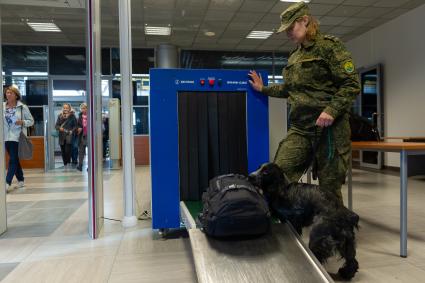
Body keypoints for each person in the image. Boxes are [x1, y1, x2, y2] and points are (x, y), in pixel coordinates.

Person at [249, 2, 360, 203]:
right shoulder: (294, 56)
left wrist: (332, 110)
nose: (288, 33)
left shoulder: (329, 47)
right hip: (300, 129)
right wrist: (263, 89)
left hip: (329, 131)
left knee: (329, 189)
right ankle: (287, 227)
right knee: (277, 175)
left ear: (305, 20)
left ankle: (334, 232)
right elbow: (289, 89)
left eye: (291, 27)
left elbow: (351, 84)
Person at [3, 85, 34, 192]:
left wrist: (22, 122)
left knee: (12, 160)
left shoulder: (22, 107)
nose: (8, 94)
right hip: (5, 137)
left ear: (16, 95)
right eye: (7, 93)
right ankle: (21, 180)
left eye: (10, 93)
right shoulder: (2, 106)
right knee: (14, 159)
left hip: (17, 137)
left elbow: (31, 121)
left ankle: (7, 182)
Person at [55, 103, 77, 167]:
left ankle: (68, 163)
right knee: (63, 152)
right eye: (64, 108)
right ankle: (65, 164)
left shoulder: (72, 116)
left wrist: (72, 131)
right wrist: (60, 128)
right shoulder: (60, 116)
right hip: (61, 136)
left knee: (67, 151)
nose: (65, 109)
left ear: (69, 108)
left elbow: (75, 126)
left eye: (67, 108)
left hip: (69, 135)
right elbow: (56, 126)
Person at [76, 103, 88, 171]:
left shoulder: (91, 116)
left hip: (89, 136)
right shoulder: (79, 117)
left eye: (85, 108)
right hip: (82, 136)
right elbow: (76, 126)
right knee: (81, 151)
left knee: (90, 152)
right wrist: (78, 128)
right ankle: (80, 165)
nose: (84, 109)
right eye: (82, 108)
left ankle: (90, 166)